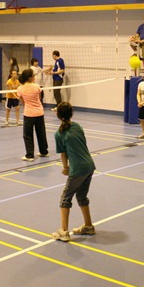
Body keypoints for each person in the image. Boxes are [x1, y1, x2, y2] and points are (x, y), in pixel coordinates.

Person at [50, 102, 96, 242]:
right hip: (89, 166)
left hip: (78, 169)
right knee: (81, 197)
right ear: (71, 114)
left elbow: (63, 153)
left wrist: (66, 167)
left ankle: (64, 232)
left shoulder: (59, 134)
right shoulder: (77, 127)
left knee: (65, 199)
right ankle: (88, 226)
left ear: (58, 115)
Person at [16, 69, 48, 162]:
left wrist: (28, 105)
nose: (34, 77)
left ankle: (30, 155)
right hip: (39, 112)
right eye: (33, 76)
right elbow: (39, 98)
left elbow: (23, 101)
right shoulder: (37, 86)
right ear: (29, 77)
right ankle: (44, 151)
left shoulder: (20, 89)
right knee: (41, 133)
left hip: (29, 113)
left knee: (28, 135)